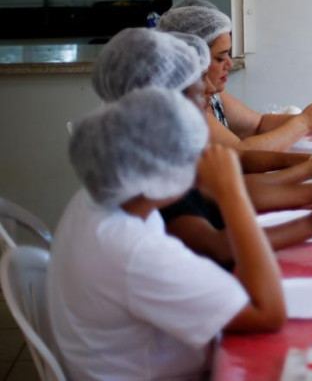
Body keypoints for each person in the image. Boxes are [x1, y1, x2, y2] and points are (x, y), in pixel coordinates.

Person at [48, 88, 286, 379]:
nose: (205, 159)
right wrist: (230, 192)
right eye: (193, 154)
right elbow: (269, 313)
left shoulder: (99, 198)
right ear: (161, 172)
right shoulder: (135, 250)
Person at [90, 28, 312, 267]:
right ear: (163, 100)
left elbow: (237, 170)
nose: (212, 90)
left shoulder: (160, 148)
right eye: (198, 87)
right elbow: (222, 244)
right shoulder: (149, 175)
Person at [157, 1, 312, 152]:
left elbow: (258, 124)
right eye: (220, 58)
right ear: (192, 60)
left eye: (229, 54)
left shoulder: (211, 96)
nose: (229, 64)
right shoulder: (182, 107)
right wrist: (304, 122)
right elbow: (241, 155)